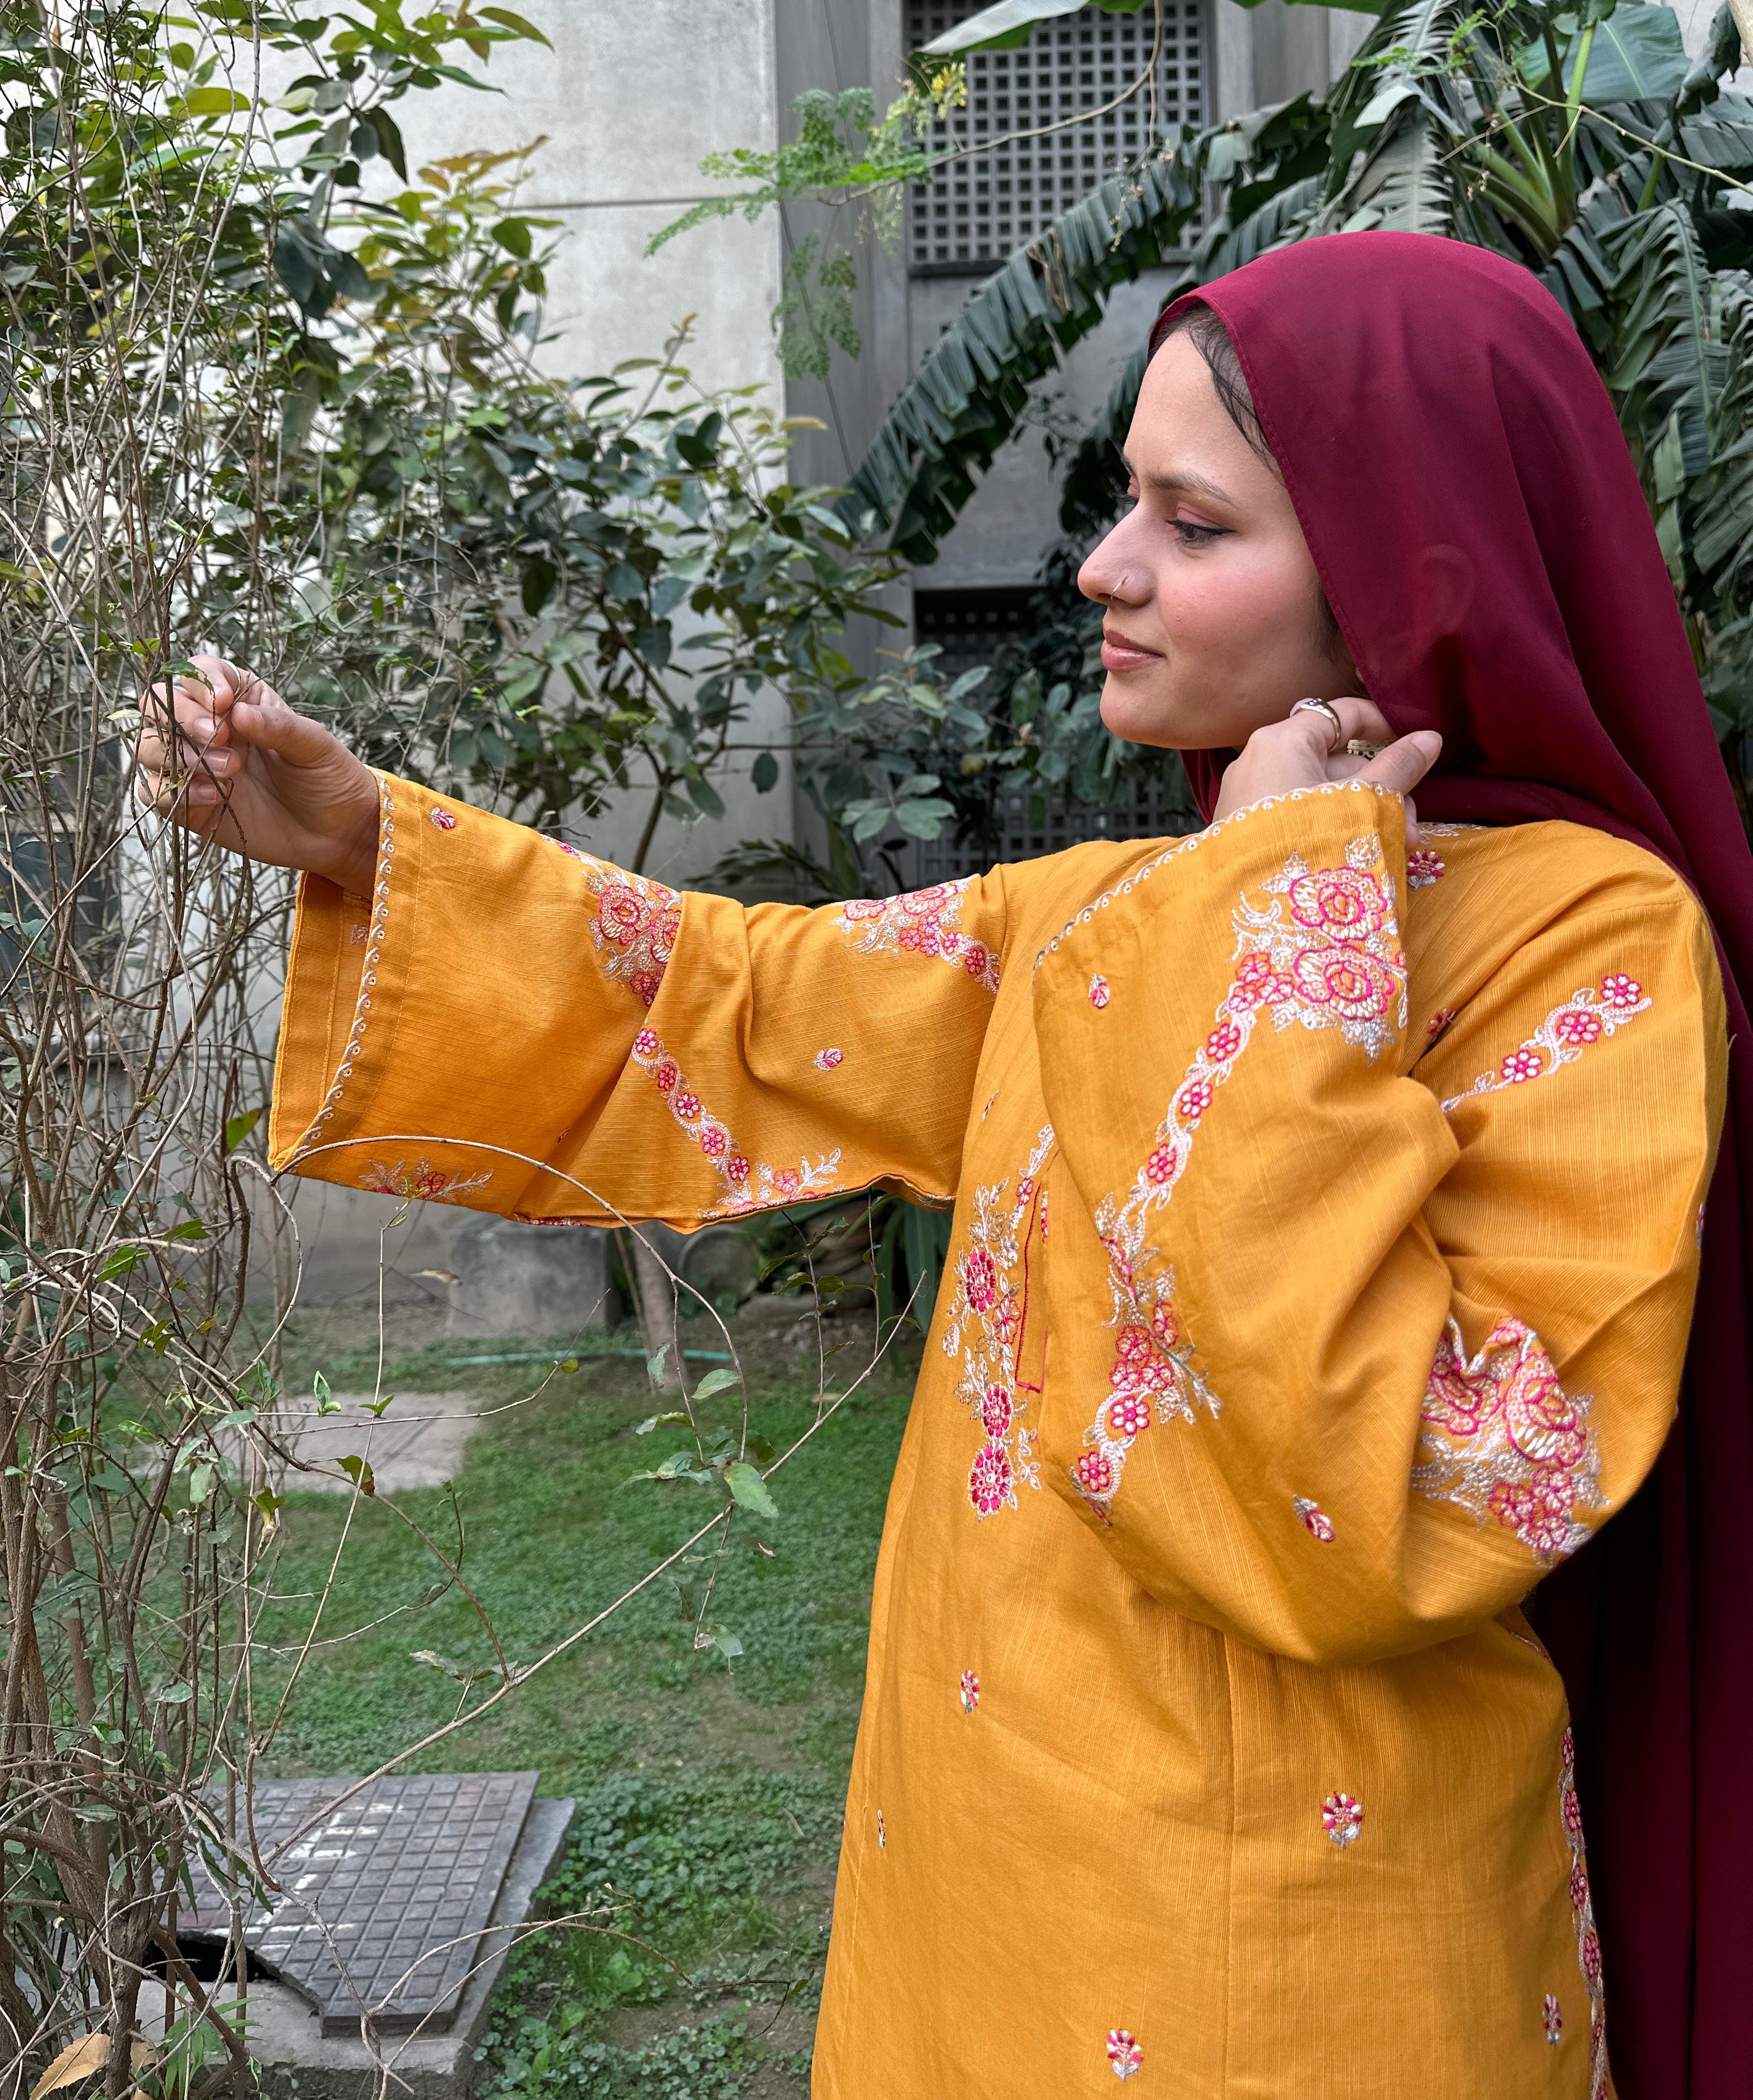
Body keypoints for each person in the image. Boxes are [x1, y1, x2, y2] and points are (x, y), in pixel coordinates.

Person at [137, 231, 1753, 2100]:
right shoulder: (1125, 907)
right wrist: (366, 846)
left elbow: (1418, 1495)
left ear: (1411, 571)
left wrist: (1284, 907)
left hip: (1305, 1959)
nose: (1104, 567)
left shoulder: (1593, 949)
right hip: (985, 1871)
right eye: (1122, 503)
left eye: (1194, 522)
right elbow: (741, 1000)